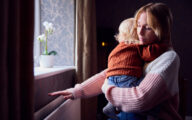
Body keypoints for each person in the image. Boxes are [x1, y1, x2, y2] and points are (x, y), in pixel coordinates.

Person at [49, 3, 182, 120]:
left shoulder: (168, 58)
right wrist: (76, 91)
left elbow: (139, 100)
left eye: (148, 28)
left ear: (161, 30)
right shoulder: (140, 50)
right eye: (138, 25)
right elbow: (111, 74)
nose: (140, 32)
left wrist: (107, 88)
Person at [102, 18, 168, 120]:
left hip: (110, 78)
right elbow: (149, 54)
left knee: (120, 89)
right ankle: (153, 113)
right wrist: (161, 46)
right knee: (151, 92)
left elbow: (111, 63)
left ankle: (110, 104)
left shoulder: (117, 48)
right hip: (127, 77)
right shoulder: (136, 45)